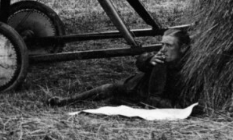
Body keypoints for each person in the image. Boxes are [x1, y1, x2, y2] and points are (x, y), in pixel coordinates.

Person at [49, 29, 192, 108]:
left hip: (151, 98)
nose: (163, 49)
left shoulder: (191, 67)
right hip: (135, 87)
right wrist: (150, 60)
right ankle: (67, 101)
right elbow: (140, 61)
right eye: (162, 44)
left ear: (183, 48)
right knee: (108, 89)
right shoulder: (161, 58)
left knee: (117, 98)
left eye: (169, 45)